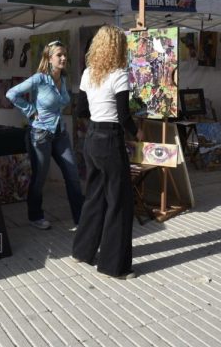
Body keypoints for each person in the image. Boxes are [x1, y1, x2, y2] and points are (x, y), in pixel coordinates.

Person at [71, 25, 143, 279]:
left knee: (94, 196)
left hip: (91, 139)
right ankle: (114, 266)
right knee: (119, 203)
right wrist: (138, 133)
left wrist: (98, 114)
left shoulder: (88, 73)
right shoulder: (119, 74)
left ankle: (82, 251)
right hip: (110, 139)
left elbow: (80, 110)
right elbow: (124, 115)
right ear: (118, 47)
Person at [6, 40, 84, 230]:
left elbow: (63, 102)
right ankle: (35, 216)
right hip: (40, 134)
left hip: (60, 133)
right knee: (40, 178)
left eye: (65, 54)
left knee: (72, 174)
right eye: (59, 55)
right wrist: (30, 110)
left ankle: (82, 219)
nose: (64, 58)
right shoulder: (39, 79)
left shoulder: (63, 78)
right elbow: (11, 94)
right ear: (49, 58)